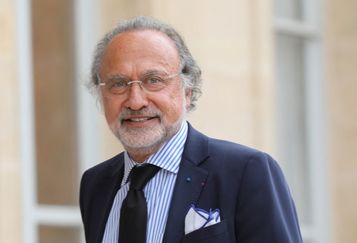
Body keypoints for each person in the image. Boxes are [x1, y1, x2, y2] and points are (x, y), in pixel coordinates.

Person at [79, 16, 303, 243]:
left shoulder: (246, 171)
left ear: (188, 90)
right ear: (100, 94)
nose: (135, 101)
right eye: (118, 83)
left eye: (153, 80)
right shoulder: (96, 184)